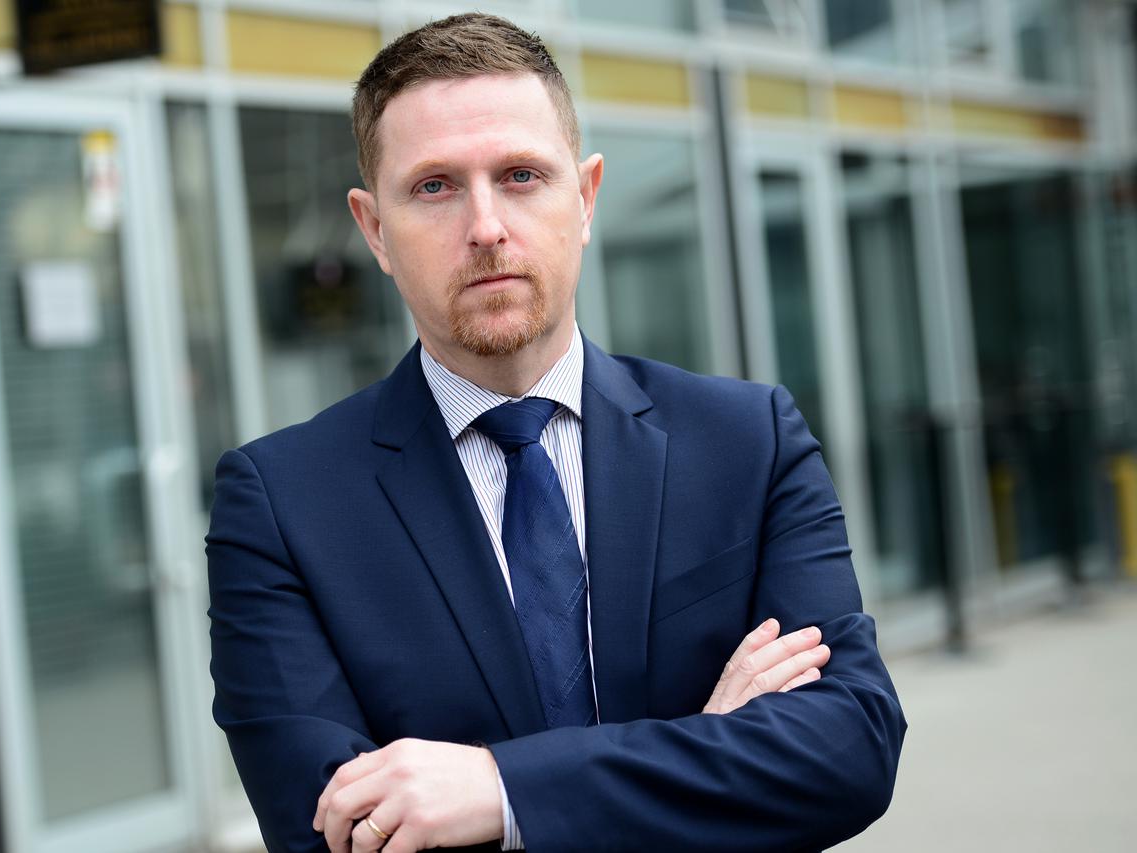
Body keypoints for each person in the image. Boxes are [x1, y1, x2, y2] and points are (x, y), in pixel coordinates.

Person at [206, 13, 906, 853]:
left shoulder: (748, 443)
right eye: (434, 186)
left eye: (521, 175)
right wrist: (708, 746)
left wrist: (501, 793)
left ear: (585, 197)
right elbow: (333, 834)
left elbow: (850, 746)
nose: (486, 226)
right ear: (375, 230)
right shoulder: (282, 507)